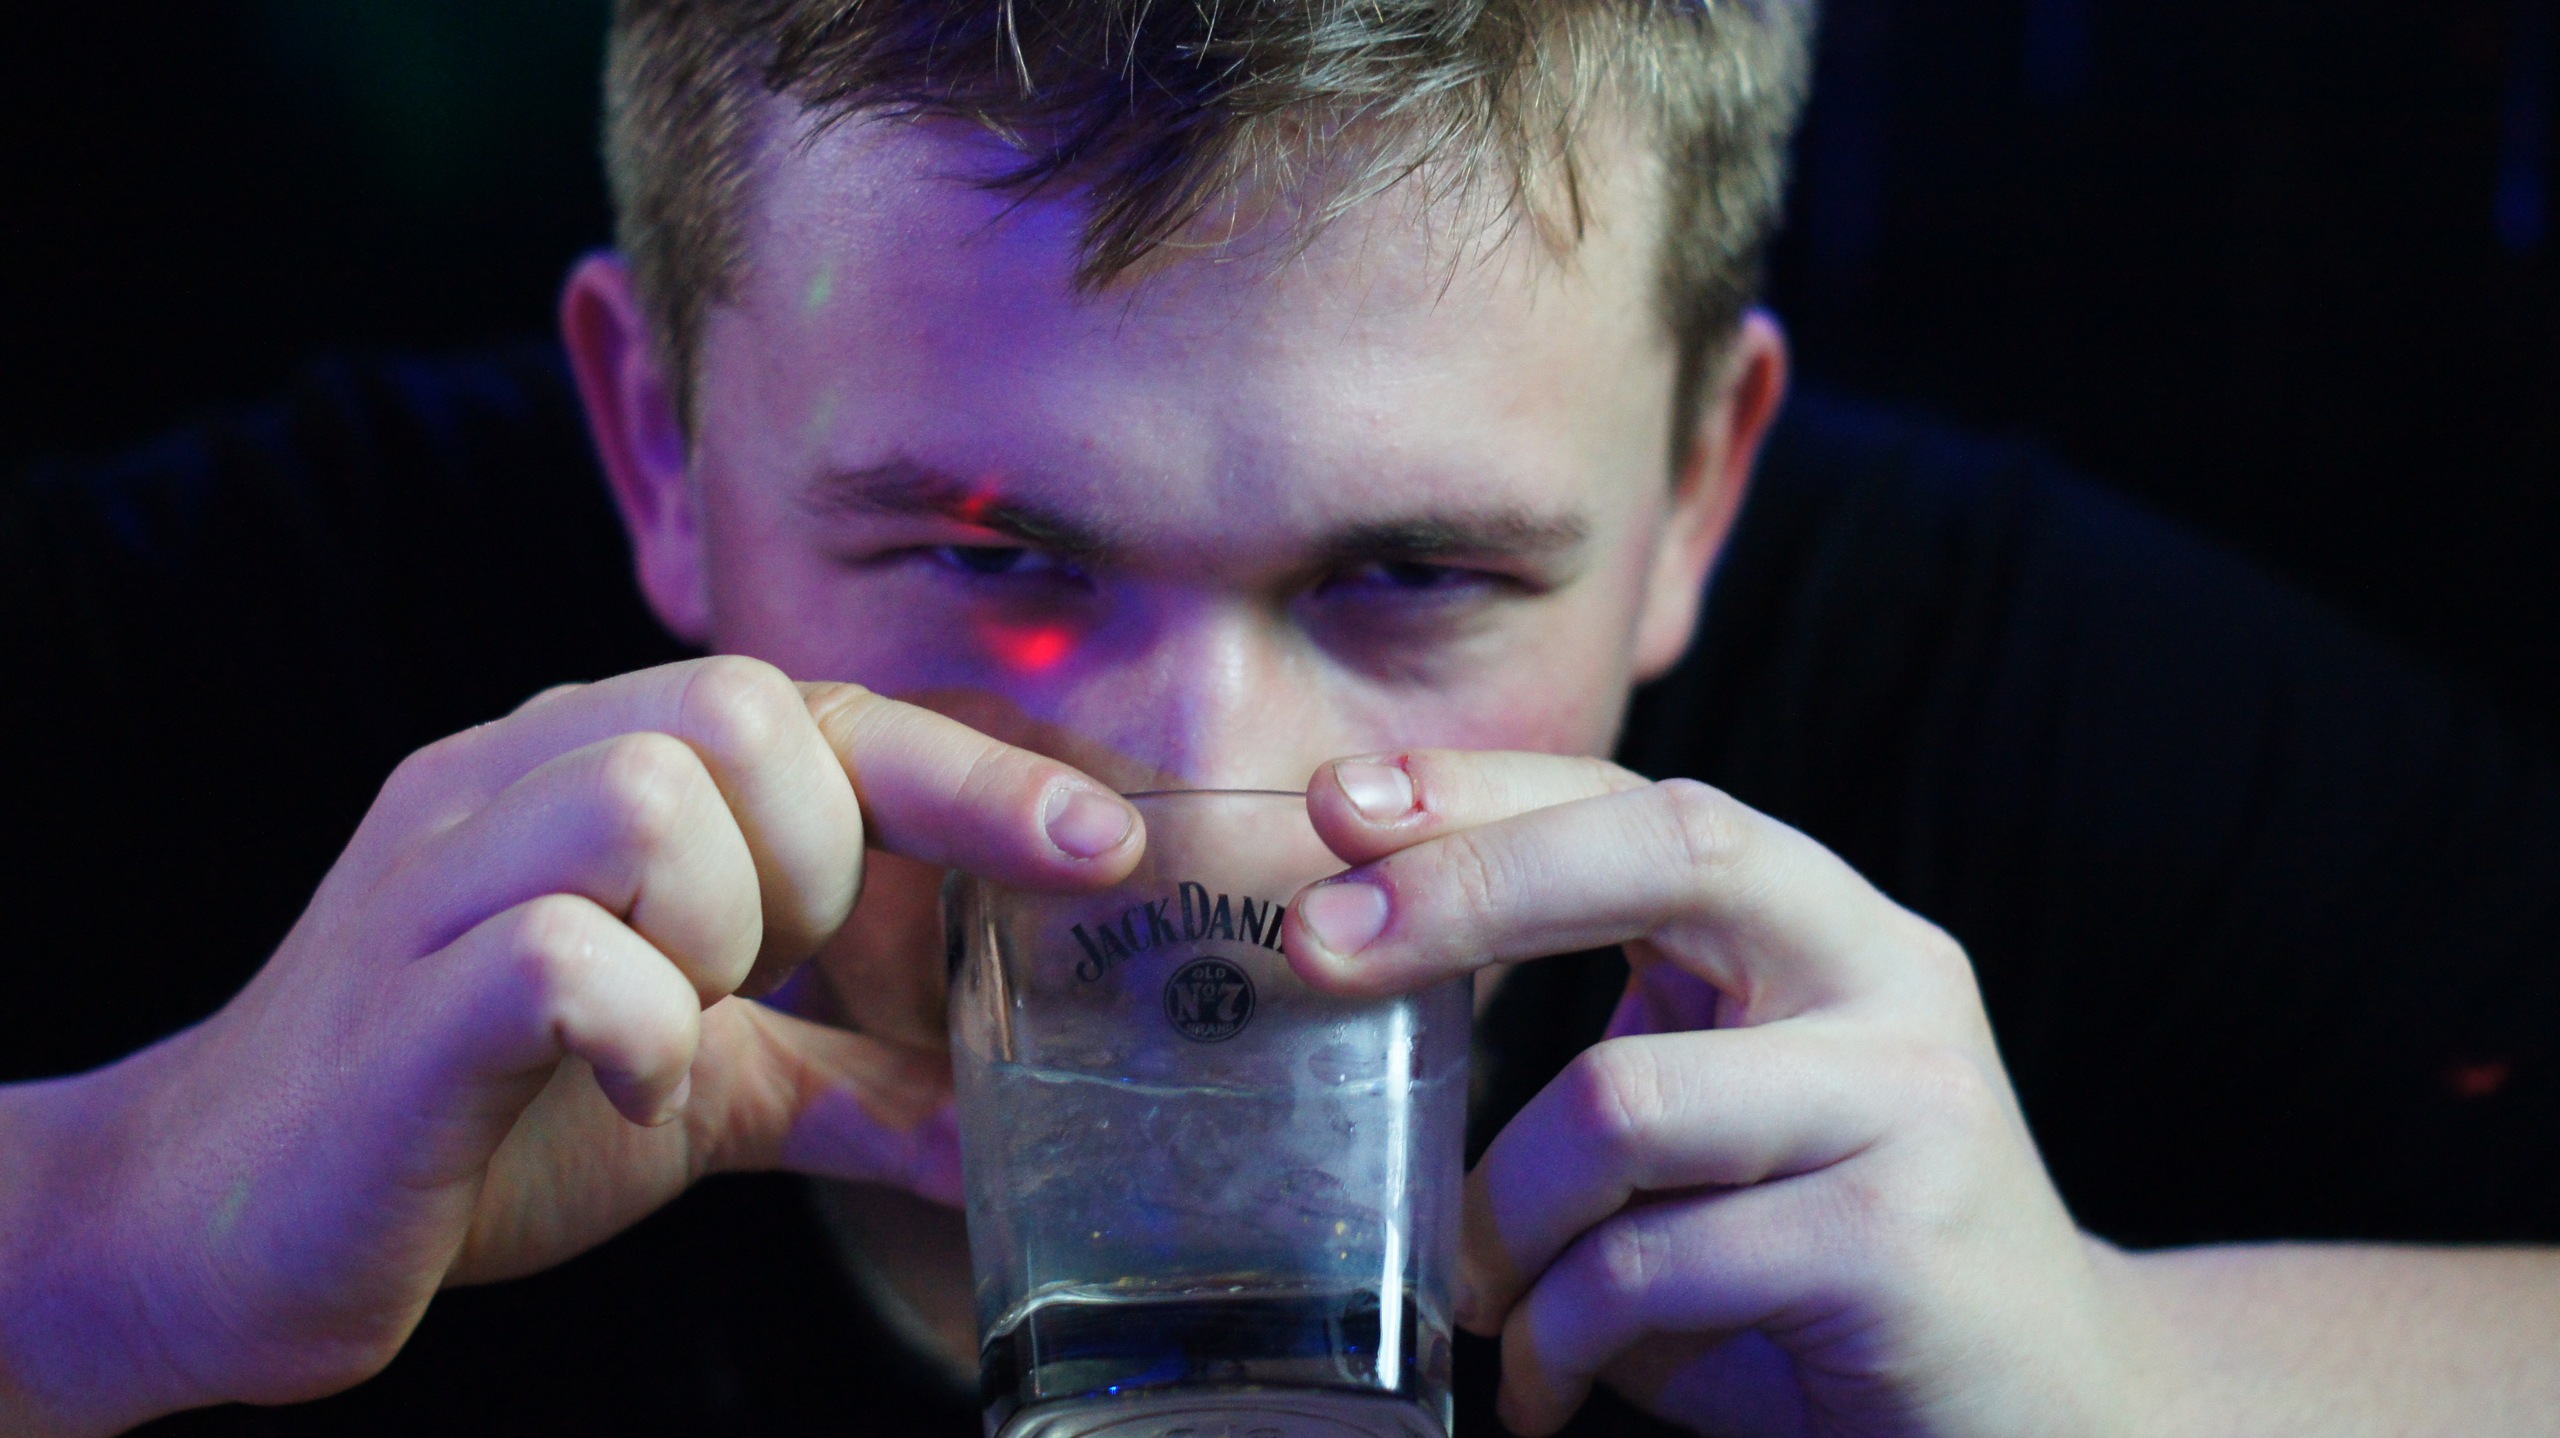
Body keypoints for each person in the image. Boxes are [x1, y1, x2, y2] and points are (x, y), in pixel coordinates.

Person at [4, 2, 2559, 1435]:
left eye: (1407, 577)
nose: (1182, 805)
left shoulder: (2013, 694)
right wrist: (99, 1224)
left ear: (1699, 482)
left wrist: (2134, 1370)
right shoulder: (226, 634)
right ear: (656, 441)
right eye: (990, 552)